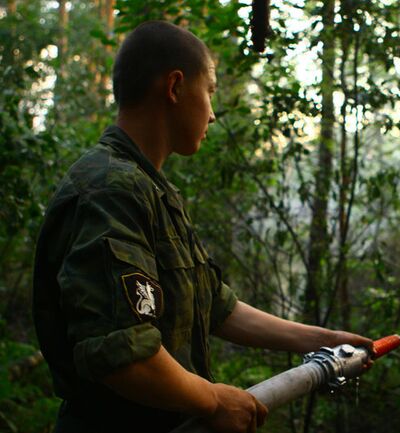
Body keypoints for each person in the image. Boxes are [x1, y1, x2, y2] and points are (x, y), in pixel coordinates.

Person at [32, 21, 371, 433]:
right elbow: (123, 354)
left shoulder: (152, 190)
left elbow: (217, 307)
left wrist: (320, 339)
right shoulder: (109, 188)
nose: (212, 112)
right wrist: (212, 399)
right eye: (209, 91)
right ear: (175, 87)